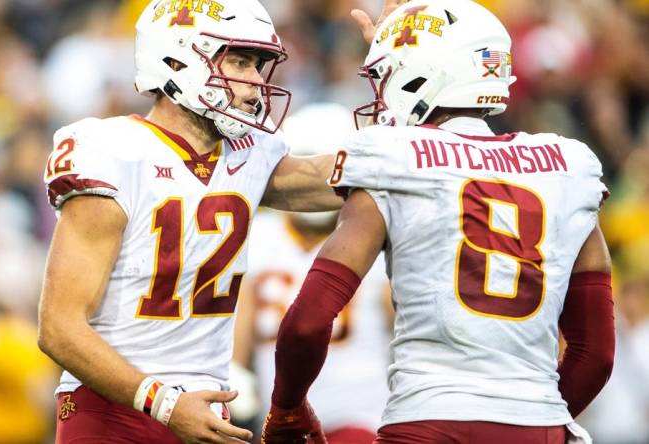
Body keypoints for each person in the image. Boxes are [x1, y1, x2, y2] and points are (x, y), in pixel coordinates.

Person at [37, 1, 401, 443]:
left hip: (206, 408)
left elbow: (346, 176)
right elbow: (59, 328)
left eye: (258, 65)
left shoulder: (250, 153)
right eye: (241, 62)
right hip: (115, 407)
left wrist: (399, 68)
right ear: (177, 58)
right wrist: (164, 403)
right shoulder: (114, 151)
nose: (254, 82)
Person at [262, 1, 615, 443]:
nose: (379, 94)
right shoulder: (568, 166)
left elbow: (308, 323)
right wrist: (529, 416)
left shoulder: (393, 157)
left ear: (422, 74)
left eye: (387, 76)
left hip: (426, 419)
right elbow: (595, 354)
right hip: (535, 422)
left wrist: (287, 408)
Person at [232, 103, 392, 444]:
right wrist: (235, 374)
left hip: (361, 416)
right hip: (279, 420)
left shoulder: (374, 235)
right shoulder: (259, 235)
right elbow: (239, 328)